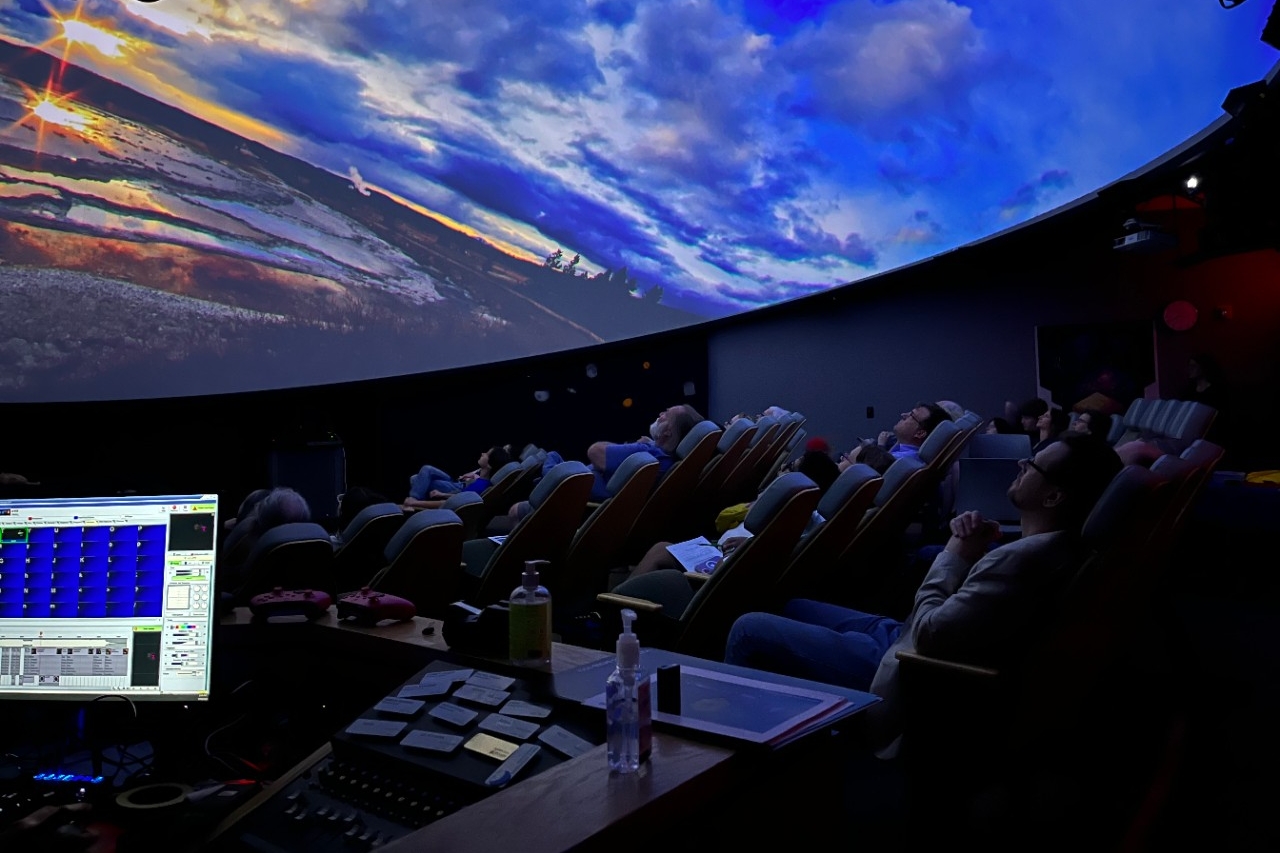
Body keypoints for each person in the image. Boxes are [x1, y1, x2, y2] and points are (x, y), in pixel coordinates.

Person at [723, 433, 1122, 756]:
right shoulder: (1054, 548)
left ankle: (735, 765)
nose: (1021, 463)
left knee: (747, 628)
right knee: (789, 604)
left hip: (906, 667)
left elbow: (931, 634)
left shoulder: (1021, 563)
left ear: (1054, 497)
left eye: (1033, 464)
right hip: (903, 634)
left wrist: (955, 553)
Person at [583, 404, 702, 501]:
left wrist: (637, 445)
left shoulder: (647, 452)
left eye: (666, 414)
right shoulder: (668, 459)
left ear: (668, 432)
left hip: (581, 492)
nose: (661, 415)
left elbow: (594, 451)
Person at [404, 445, 512, 509]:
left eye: (486, 454)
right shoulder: (483, 477)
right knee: (425, 472)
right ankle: (415, 500)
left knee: (416, 478)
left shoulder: (479, 487)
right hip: (456, 485)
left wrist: (415, 503)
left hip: (455, 489)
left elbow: (452, 502)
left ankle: (413, 502)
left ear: (489, 465)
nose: (483, 453)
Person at [875, 402, 950, 460]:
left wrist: (880, 446)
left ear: (920, 433)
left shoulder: (902, 459)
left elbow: (878, 464)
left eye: (911, 415)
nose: (903, 415)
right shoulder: (907, 454)